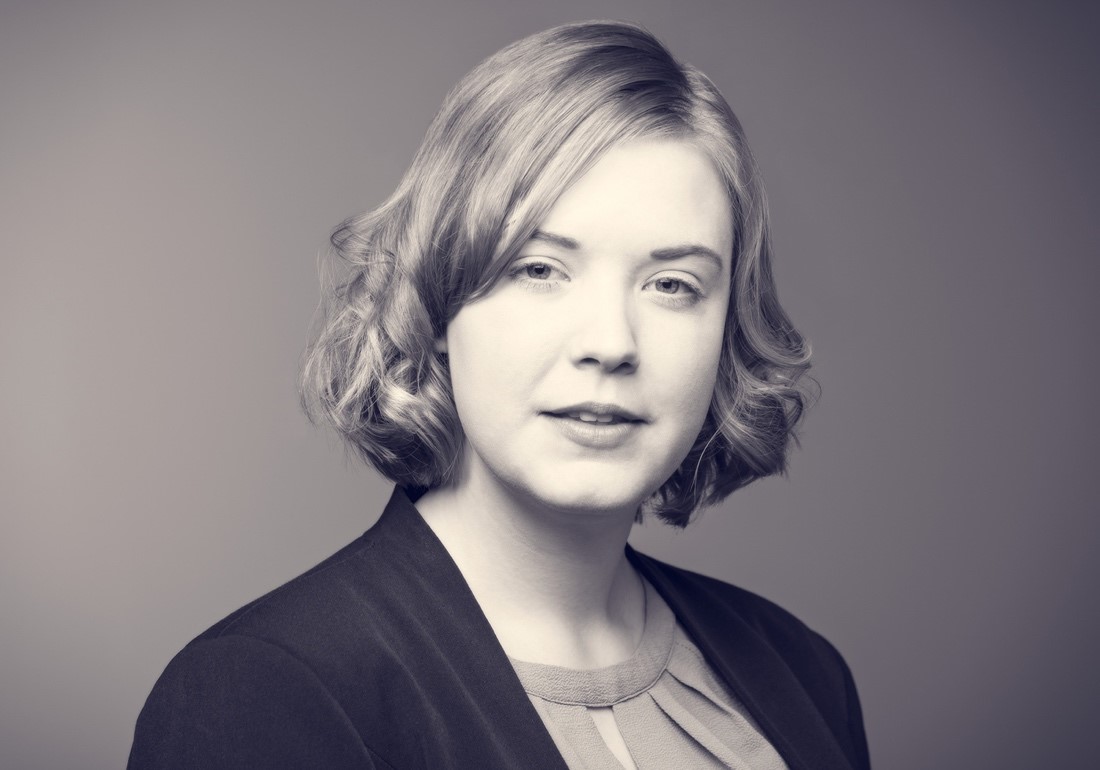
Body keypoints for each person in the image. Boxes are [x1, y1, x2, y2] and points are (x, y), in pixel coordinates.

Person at [128, 20, 870, 770]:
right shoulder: (262, 694)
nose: (611, 342)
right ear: (439, 303)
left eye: (672, 285)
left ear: (725, 328)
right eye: (539, 270)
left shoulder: (804, 674)